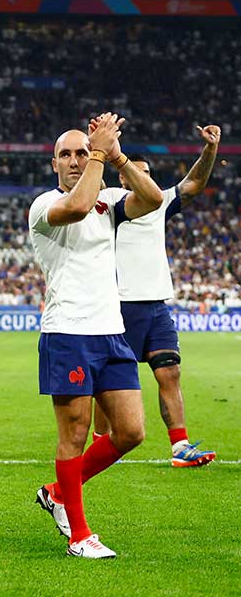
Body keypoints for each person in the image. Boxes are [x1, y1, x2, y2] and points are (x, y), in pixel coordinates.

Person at [29, 113, 164, 558]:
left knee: (130, 431)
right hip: (68, 333)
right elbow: (79, 206)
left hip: (112, 333)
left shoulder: (108, 198)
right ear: (53, 164)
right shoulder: (44, 206)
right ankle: (79, 536)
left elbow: (154, 198)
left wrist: (119, 156)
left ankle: (56, 490)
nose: (74, 160)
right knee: (75, 433)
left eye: (80, 152)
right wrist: (100, 154)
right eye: (65, 154)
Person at [93, 125, 222, 467]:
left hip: (157, 307)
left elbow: (193, 185)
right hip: (121, 305)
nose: (144, 177)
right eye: (137, 172)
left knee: (170, 372)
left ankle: (179, 446)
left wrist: (209, 150)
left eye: (148, 173)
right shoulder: (112, 204)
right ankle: (99, 444)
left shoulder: (161, 202)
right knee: (109, 382)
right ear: (124, 177)